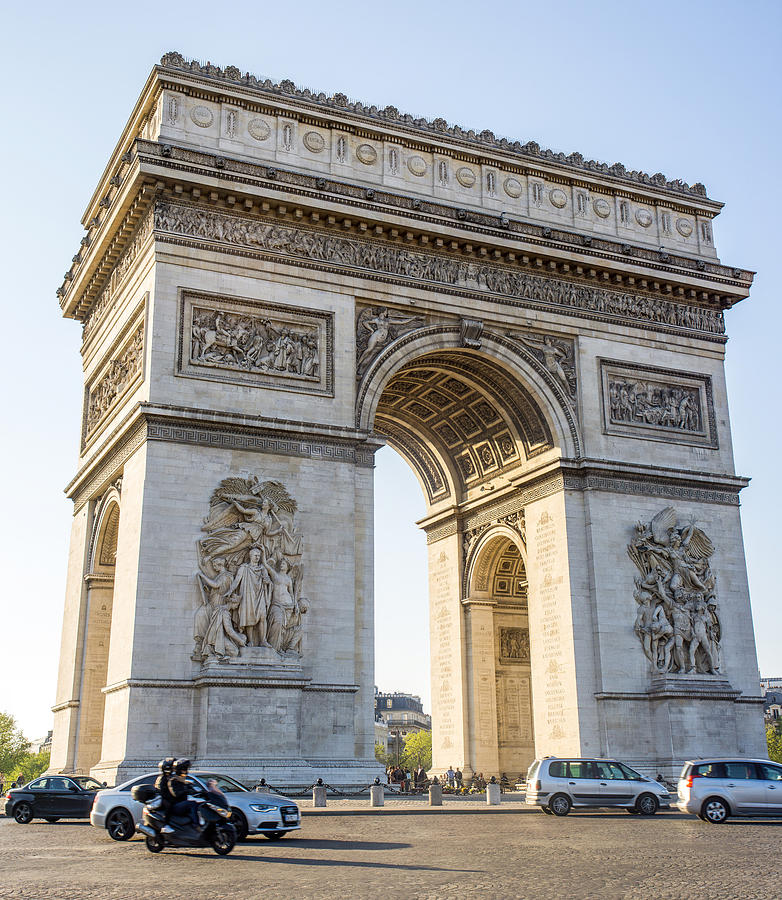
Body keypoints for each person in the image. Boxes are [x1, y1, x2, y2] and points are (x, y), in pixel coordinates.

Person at [163, 759, 200, 832]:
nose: (186, 772)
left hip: (182, 805)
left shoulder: (182, 780)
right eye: (184, 770)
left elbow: (191, 788)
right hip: (175, 806)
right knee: (192, 804)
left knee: (201, 805)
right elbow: (176, 794)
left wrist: (200, 792)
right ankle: (196, 825)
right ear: (179, 770)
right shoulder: (173, 781)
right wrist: (186, 790)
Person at [155, 757, 176, 826]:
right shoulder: (162, 778)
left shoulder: (171, 777)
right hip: (162, 798)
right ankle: (165, 824)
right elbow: (161, 790)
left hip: (168, 796)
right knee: (169, 805)